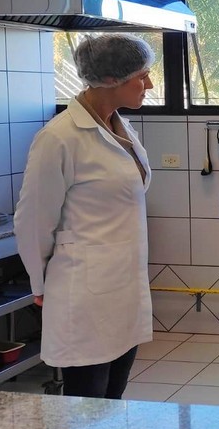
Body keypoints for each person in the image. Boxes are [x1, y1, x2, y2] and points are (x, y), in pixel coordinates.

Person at [14, 33, 155, 399]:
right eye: (142, 76)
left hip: (123, 287)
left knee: (113, 399)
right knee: (86, 405)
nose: (150, 85)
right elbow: (33, 220)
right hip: (84, 293)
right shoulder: (59, 137)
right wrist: (40, 283)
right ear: (110, 78)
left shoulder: (117, 125)